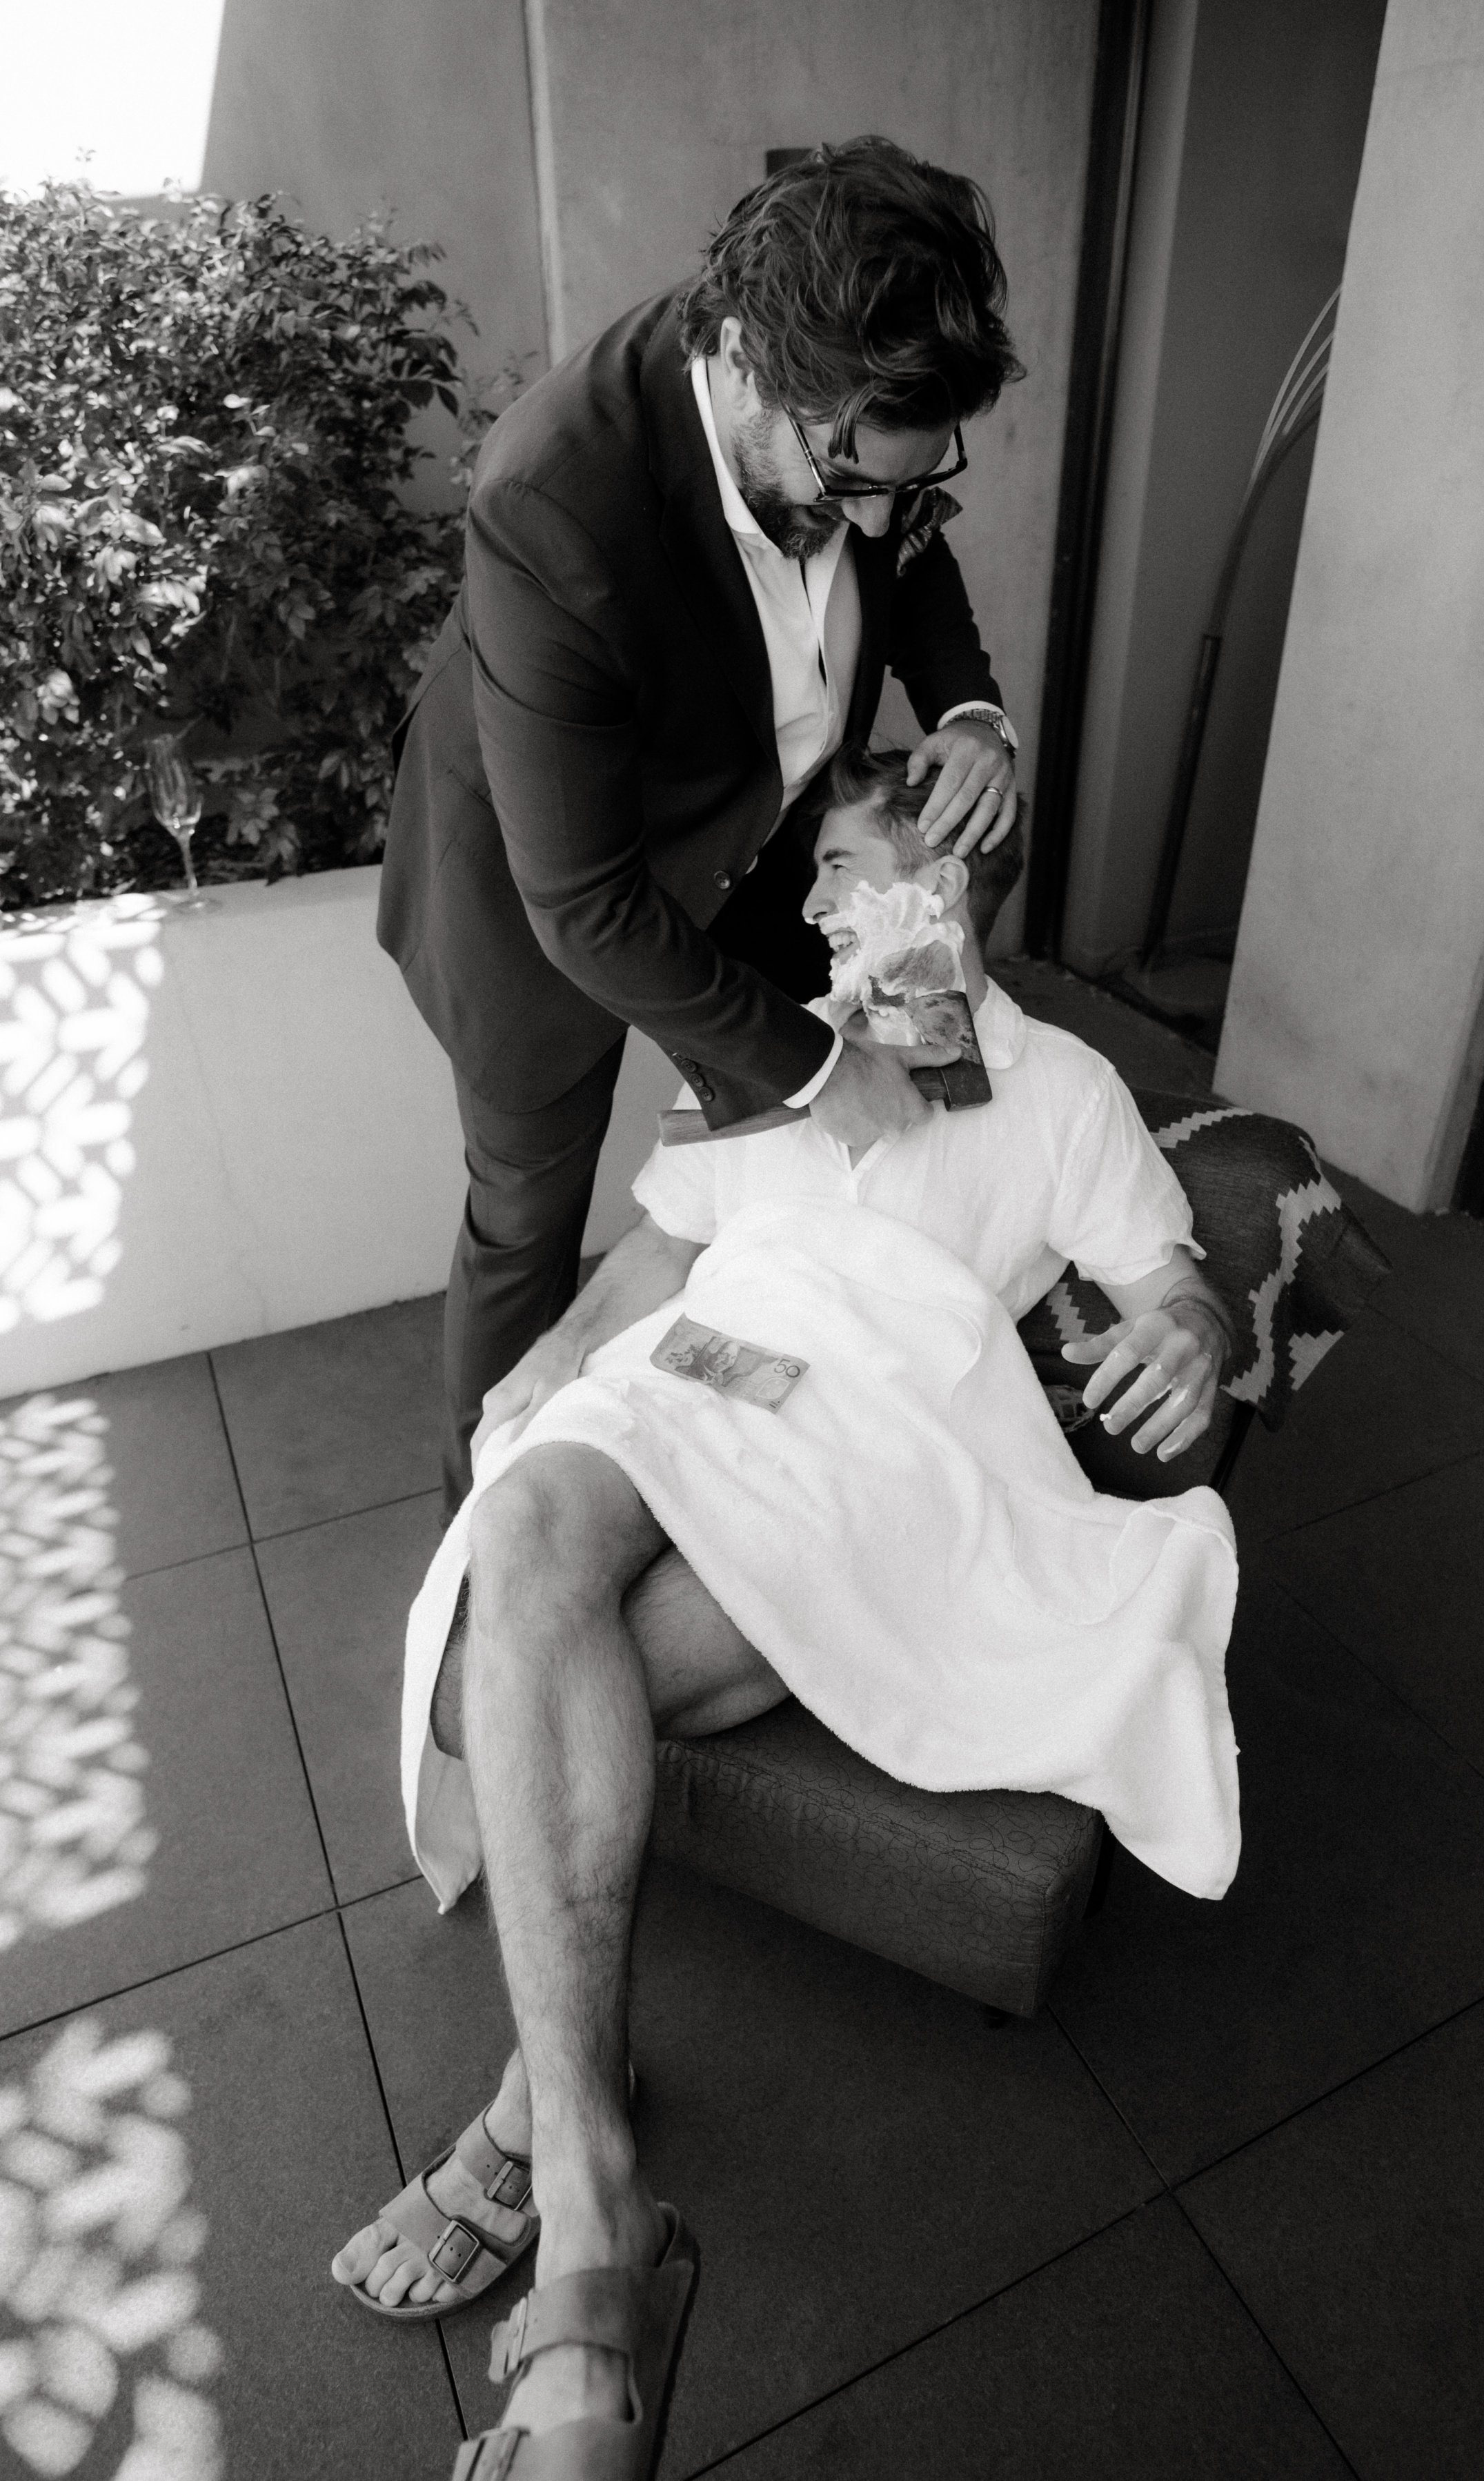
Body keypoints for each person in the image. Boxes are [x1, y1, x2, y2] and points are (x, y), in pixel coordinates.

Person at [335, 747, 1241, 2481]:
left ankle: (545, 2121)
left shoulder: (1062, 1092)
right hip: (697, 1372)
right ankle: (599, 2215)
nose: (813, 905)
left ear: (950, 881)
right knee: (526, 1522)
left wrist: (1187, 1332)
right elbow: (659, 1257)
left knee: (525, 1681)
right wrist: (539, 1362)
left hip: (883, 1428)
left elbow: (1170, 1282)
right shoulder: (769, 1049)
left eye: (844, 867)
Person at [377, 137, 1027, 1514]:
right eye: (852, 483)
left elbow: (910, 551)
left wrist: (970, 709)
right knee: (525, 1220)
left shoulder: (851, 424)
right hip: (536, 892)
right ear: (745, 367)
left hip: (749, 834)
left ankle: (784, 1416)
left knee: (846, 1110)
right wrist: (809, 1067)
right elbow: (589, 907)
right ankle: (489, 1528)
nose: (881, 516)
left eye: (910, 484)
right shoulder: (553, 497)